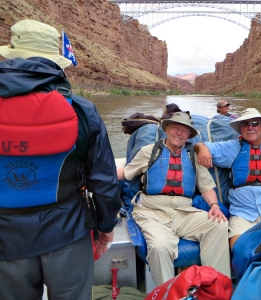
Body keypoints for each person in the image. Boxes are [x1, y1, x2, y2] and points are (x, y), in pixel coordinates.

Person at [0, 20, 121, 300]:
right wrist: (105, 228)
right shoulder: (81, 110)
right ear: (56, 62)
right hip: (66, 232)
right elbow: (103, 181)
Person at [117, 111, 231, 285]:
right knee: (159, 246)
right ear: (167, 129)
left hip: (184, 212)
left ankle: (214, 288)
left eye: (184, 130)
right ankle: (169, 293)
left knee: (218, 224)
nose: (179, 133)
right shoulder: (149, 151)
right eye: (175, 128)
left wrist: (214, 205)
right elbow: (125, 173)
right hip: (152, 212)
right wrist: (95, 178)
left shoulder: (193, 155)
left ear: (188, 135)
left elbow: (206, 187)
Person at [194, 108, 261, 248]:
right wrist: (201, 149)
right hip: (242, 214)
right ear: (240, 129)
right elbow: (198, 145)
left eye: (255, 123)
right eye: (245, 124)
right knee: (238, 248)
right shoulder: (232, 148)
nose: (250, 127)